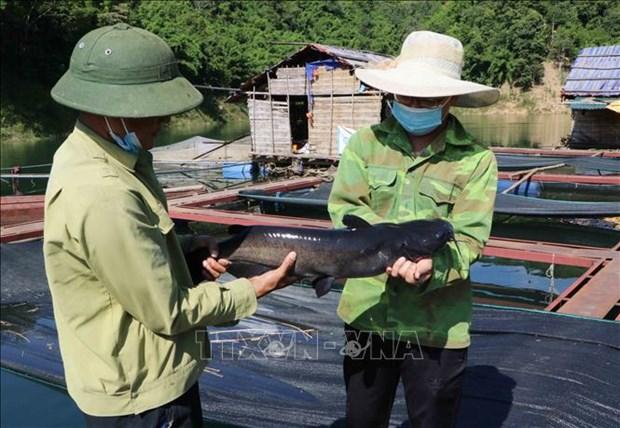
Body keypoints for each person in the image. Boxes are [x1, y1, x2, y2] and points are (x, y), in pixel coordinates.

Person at [44, 24, 296, 427]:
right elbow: (168, 312)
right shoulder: (104, 192)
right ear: (113, 109)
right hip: (141, 394)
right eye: (153, 110)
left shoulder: (104, 155)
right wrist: (255, 288)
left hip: (137, 373)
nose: (162, 120)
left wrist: (188, 253)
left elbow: (135, 254)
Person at [327, 31, 499, 428]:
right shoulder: (365, 145)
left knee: (432, 420)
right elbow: (345, 209)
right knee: (362, 418)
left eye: (429, 99)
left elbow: (470, 238)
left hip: (437, 325)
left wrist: (430, 270)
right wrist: (377, 252)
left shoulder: (476, 160)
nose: (416, 106)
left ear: (450, 99)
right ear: (393, 95)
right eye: (408, 97)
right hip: (368, 315)